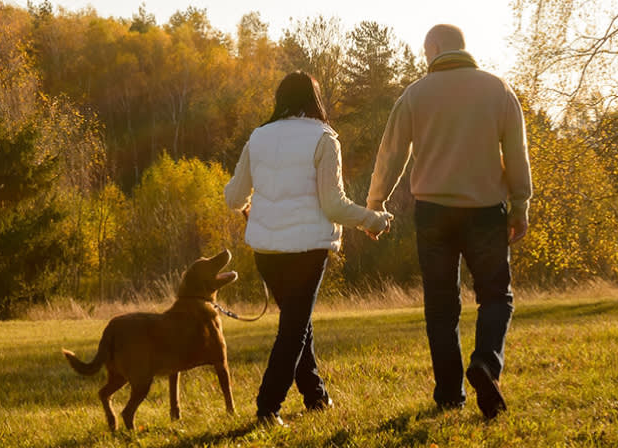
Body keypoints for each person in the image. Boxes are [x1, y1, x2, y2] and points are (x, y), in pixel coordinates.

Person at [366, 24, 531, 419]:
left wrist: (375, 204)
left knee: (441, 306)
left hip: (433, 212)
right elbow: (516, 150)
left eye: (425, 52)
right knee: (495, 296)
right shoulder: (498, 89)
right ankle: (486, 365)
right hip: (486, 211)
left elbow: (391, 156)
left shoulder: (414, 95)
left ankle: (449, 394)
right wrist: (521, 202)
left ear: (435, 48)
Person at [225, 72, 393, 427]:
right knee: (294, 328)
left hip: (267, 253)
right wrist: (373, 220)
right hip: (306, 250)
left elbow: (234, 197)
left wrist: (252, 205)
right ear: (315, 99)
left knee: (296, 322)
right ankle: (267, 408)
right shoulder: (324, 137)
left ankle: (315, 395)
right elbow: (333, 205)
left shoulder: (258, 137)